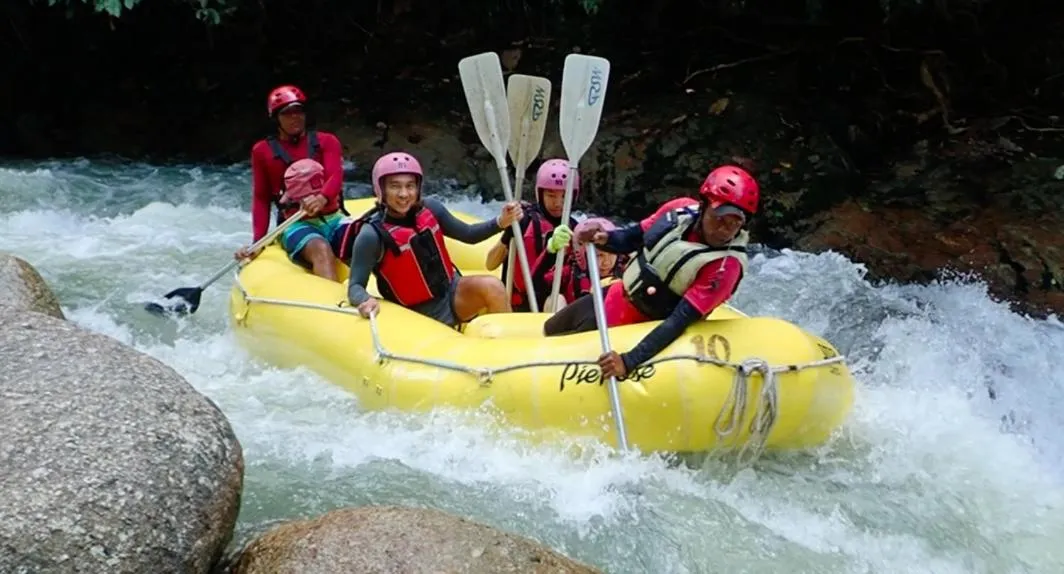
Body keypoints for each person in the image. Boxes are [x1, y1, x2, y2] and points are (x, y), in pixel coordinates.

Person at [543, 165, 759, 379]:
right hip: (617, 295)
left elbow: (678, 321)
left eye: (734, 223)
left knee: (555, 363)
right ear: (703, 206)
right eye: (718, 217)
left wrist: (628, 361)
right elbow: (633, 237)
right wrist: (604, 238)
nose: (723, 230)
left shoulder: (726, 267)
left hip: (641, 327)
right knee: (550, 329)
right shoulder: (679, 211)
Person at [347, 152, 523, 328]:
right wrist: (364, 300)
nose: (404, 194)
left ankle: (508, 342)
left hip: (451, 293)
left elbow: (469, 234)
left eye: (410, 186)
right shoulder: (371, 235)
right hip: (416, 313)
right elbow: (355, 286)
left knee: (493, 286)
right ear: (381, 190)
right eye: (395, 186)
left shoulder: (431, 208)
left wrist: (501, 221)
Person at [234, 84, 346, 281]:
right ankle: (334, 298)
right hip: (295, 224)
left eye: (298, 111)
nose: (295, 117)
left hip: (334, 218)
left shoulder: (327, 141)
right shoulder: (262, 151)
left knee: (368, 239)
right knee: (321, 249)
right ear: (276, 118)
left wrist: (322, 198)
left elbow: (335, 176)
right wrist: (258, 241)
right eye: (287, 113)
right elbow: (261, 198)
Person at [484, 158, 580, 311]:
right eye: (551, 195)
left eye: (564, 196)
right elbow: (490, 264)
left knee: (558, 299)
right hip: (520, 306)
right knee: (557, 300)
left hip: (550, 303)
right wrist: (508, 235)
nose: (558, 203)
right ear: (540, 194)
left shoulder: (574, 229)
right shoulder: (524, 221)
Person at [536, 217, 628, 308]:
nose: (607, 262)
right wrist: (549, 252)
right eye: (599, 255)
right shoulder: (569, 273)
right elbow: (536, 288)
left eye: (611, 254)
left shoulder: (625, 271)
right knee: (554, 299)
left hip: (616, 316)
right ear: (582, 254)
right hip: (576, 317)